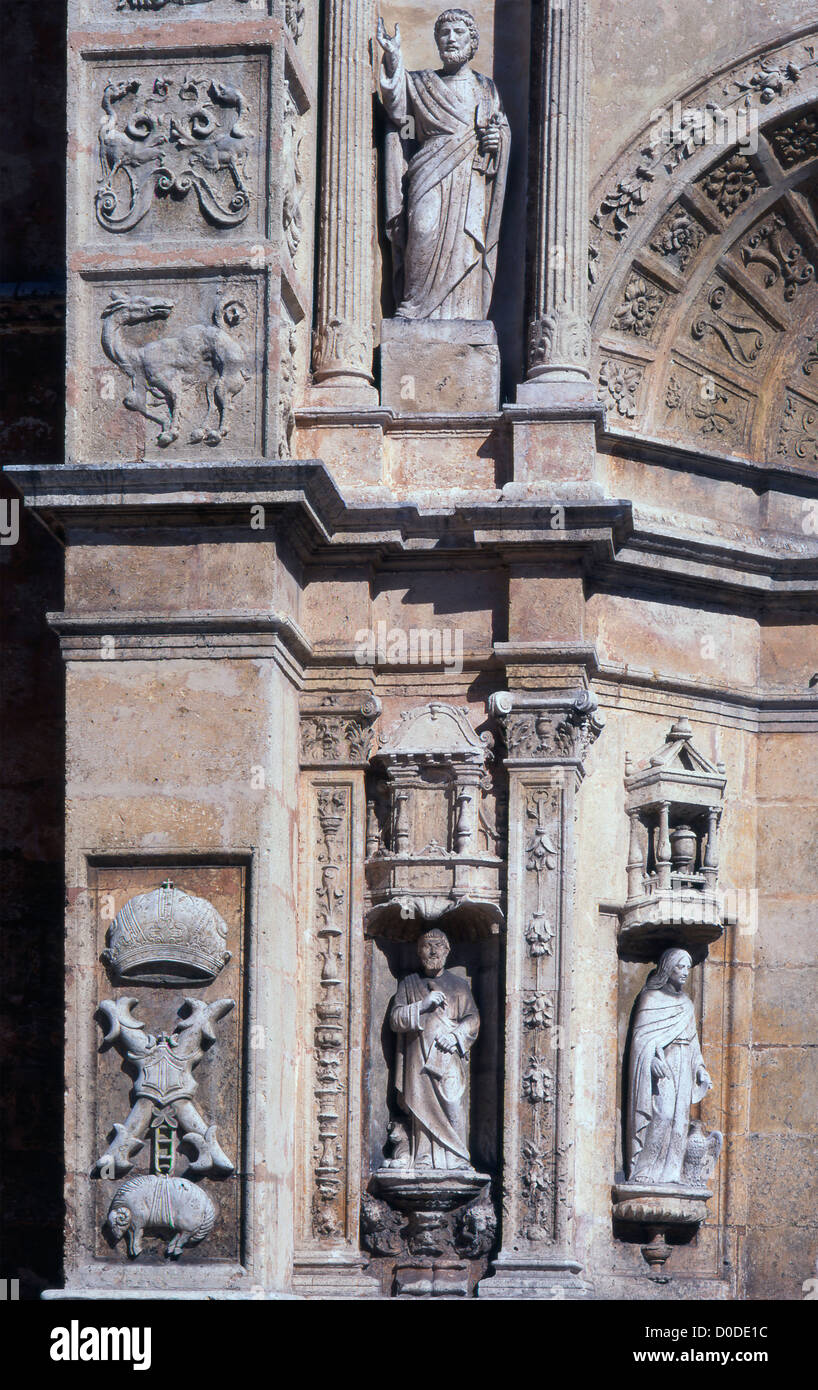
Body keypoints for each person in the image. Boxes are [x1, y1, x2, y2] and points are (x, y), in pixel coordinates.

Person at [377, 10, 510, 320]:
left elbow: (497, 133)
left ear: (472, 41)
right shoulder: (422, 83)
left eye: (458, 32)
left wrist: (496, 142)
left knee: (465, 245)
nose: (451, 38)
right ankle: (414, 307)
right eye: (444, 33)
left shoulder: (486, 89)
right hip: (429, 167)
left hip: (469, 177)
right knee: (423, 230)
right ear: (437, 40)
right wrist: (394, 59)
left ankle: (464, 313)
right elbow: (402, 119)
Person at [389, 927, 479, 1169]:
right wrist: (422, 1005)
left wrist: (457, 1035)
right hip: (417, 1060)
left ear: (447, 951)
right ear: (419, 952)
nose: (432, 950)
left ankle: (458, 1158)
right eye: (427, 946)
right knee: (421, 1108)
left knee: (453, 1104)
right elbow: (395, 1019)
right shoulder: (408, 984)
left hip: (448, 1057)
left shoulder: (459, 986)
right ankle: (424, 1159)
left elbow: (473, 1019)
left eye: (438, 945)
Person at [626, 947, 713, 1184]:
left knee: (679, 1120)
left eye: (687, 967)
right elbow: (640, 1041)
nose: (685, 972)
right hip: (663, 1064)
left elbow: (693, 1041)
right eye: (679, 966)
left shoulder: (686, 1003)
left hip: (684, 1062)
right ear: (667, 968)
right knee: (662, 1114)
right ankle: (644, 1169)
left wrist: (700, 1068)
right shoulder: (651, 998)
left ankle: (673, 1173)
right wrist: (651, 1060)